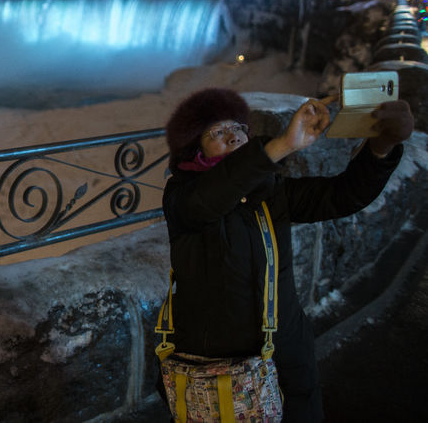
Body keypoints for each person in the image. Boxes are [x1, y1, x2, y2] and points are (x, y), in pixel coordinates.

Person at [161, 87, 413, 422]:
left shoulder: (269, 191)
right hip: (220, 370)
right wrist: (281, 145)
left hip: (288, 355)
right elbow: (211, 198)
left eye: (238, 129)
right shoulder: (182, 197)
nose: (233, 137)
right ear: (195, 147)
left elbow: (343, 195)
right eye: (218, 132)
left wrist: (381, 147)